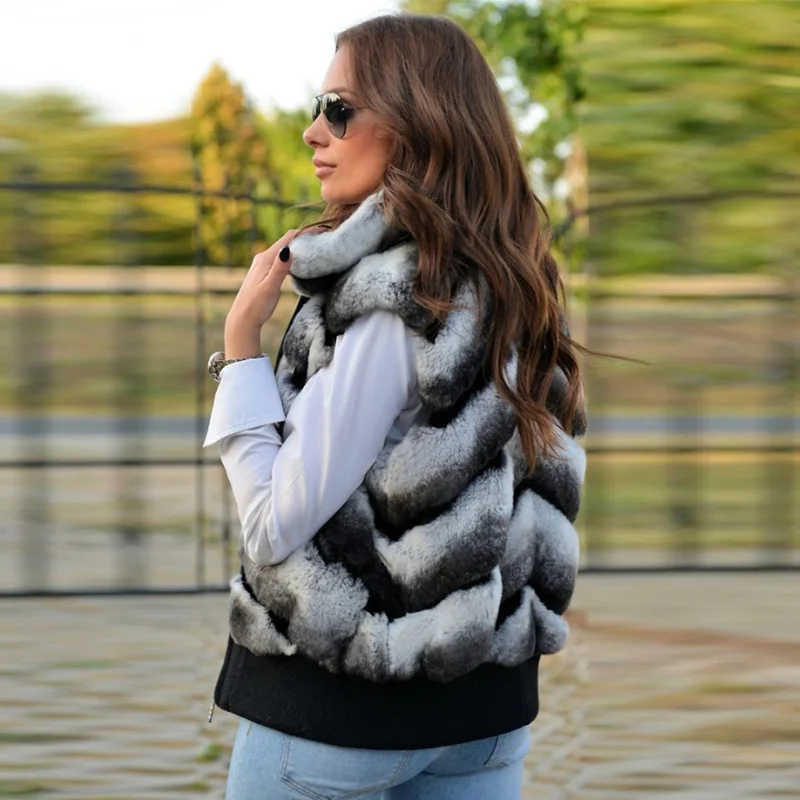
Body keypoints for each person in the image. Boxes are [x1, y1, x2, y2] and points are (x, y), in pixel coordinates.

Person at [203, 12, 588, 800]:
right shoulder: (514, 282)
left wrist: (240, 349)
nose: (313, 131)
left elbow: (274, 524)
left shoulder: (389, 297)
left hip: (342, 716)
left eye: (340, 110)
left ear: (417, 126)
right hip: (484, 720)